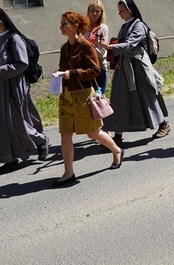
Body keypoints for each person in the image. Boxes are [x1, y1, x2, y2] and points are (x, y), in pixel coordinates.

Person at [53, 11, 123, 187]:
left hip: (83, 95)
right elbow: (64, 69)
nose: (61, 27)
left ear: (76, 26)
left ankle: (116, 150)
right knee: (65, 135)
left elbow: (95, 70)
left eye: (65, 24)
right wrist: (60, 76)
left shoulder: (86, 46)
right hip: (66, 96)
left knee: (92, 133)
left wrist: (73, 73)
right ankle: (68, 172)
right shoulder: (64, 48)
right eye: (61, 24)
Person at [0, 7, 49, 170]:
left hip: (13, 86)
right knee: (2, 123)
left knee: (16, 122)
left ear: (1, 21)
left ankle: (40, 140)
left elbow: (22, 64)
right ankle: (10, 157)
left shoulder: (14, 39)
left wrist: (0, 70)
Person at [98, 0, 169, 145]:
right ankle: (118, 136)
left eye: (122, 11)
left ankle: (163, 124)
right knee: (119, 99)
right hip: (124, 67)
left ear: (130, 11)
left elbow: (130, 44)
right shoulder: (125, 26)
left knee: (147, 97)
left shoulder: (139, 25)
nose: (119, 14)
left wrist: (109, 47)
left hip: (139, 67)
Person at [84, 0, 110, 94]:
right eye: (92, 10)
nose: (94, 14)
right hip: (85, 69)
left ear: (101, 13)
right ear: (88, 11)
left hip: (99, 67)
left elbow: (102, 52)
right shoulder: (84, 27)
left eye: (97, 11)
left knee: (99, 98)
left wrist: (86, 52)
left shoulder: (103, 28)